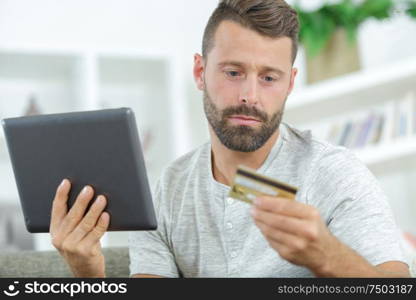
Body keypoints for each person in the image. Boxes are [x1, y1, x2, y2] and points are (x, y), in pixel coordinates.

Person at [49, 0, 410, 278]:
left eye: (269, 77)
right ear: (200, 72)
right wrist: (89, 276)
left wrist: (329, 257)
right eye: (233, 72)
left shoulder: (335, 173)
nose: (249, 96)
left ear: (290, 83)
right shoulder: (167, 191)